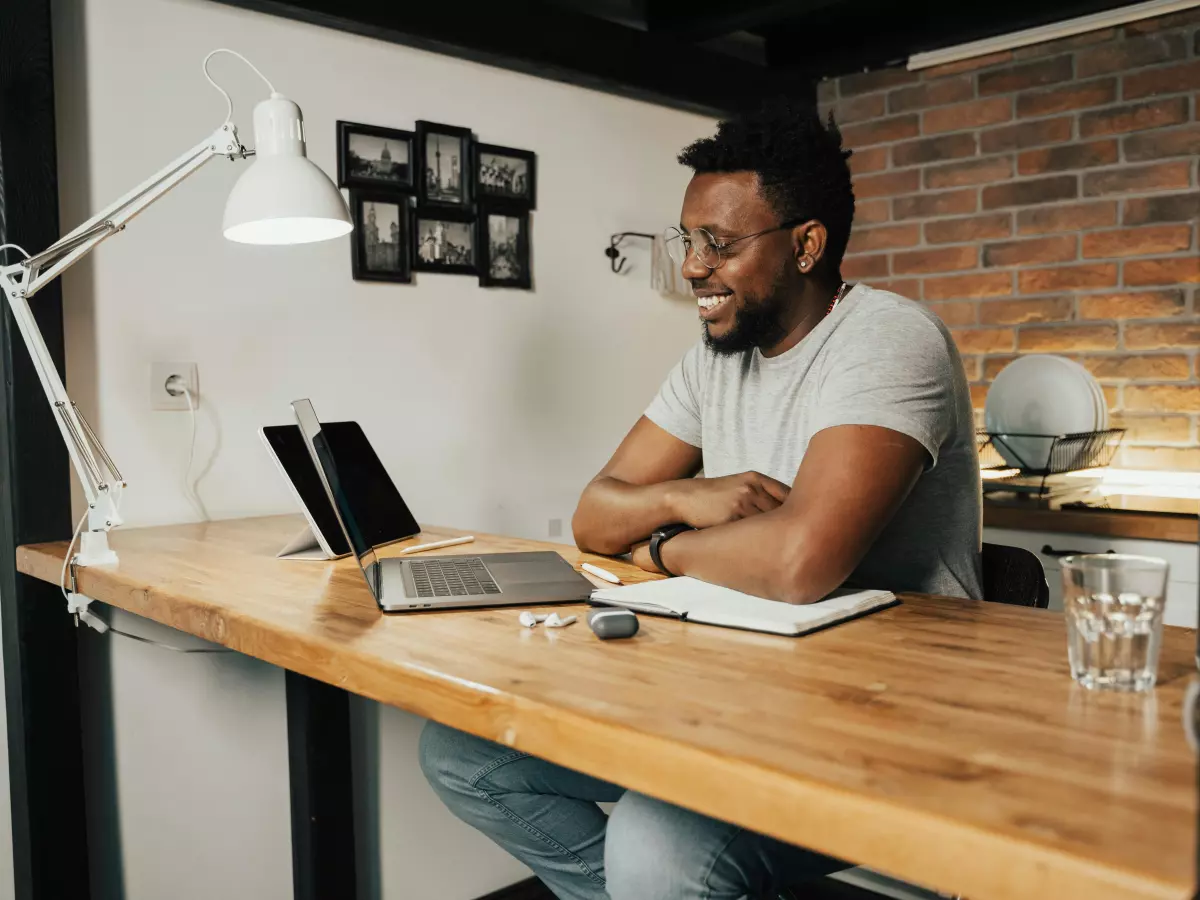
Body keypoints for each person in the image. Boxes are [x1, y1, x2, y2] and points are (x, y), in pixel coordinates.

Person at [420, 97, 982, 900]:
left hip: (884, 709)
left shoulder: (888, 341)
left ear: (808, 244)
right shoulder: (716, 359)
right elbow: (593, 513)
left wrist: (657, 546)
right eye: (689, 240)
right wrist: (692, 496)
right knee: (464, 755)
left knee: (655, 846)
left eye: (717, 244)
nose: (691, 267)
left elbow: (797, 563)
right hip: (744, 685)